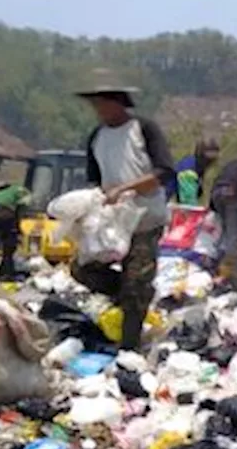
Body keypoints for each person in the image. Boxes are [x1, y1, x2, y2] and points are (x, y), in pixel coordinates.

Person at [73, 80, 175, 351]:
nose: (97, 109)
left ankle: (129, 348)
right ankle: (135, 294)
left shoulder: (143, 129)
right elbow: (95, 181)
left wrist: (125, 189)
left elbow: (163, 172)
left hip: (145, 219)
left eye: (101, 103)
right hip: (113, 222)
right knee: (82, 269)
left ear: (117, 102)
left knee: (136, 279)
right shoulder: (97, 136)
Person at [167, 138, 221, 205]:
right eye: (208, 159)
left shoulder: (197, 167)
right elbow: (187, 201)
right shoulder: (189, 169)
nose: (210, 163)